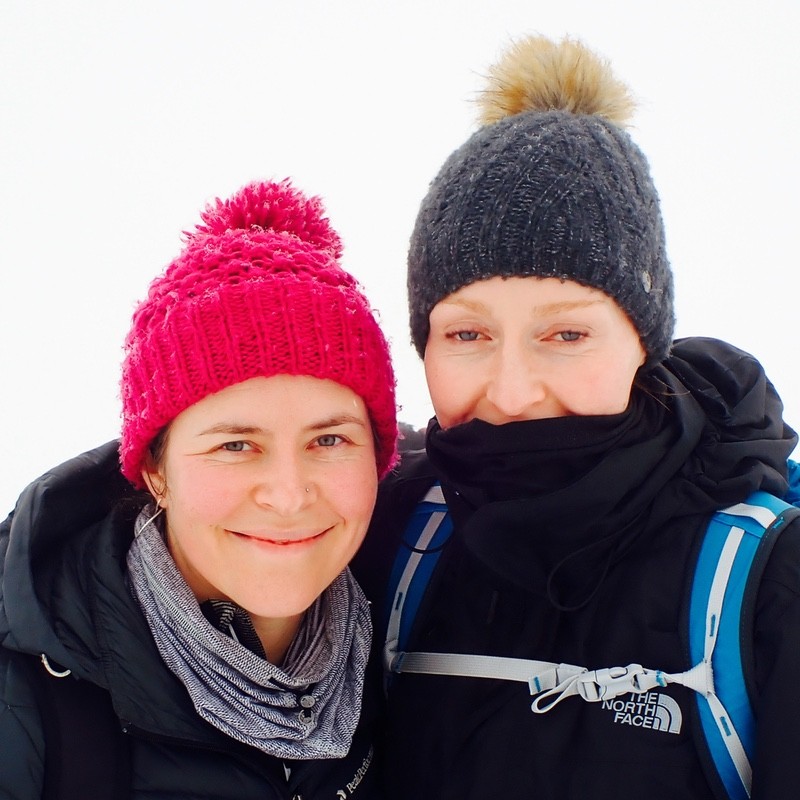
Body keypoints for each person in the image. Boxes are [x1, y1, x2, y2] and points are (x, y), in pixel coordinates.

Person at [351, 36, 800, 799]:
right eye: (467, 334)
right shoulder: (381, 533)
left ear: (644, 342)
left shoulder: (765, 584)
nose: (515, 390)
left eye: (565, 335)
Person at [0, 179, 397, 799]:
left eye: (329, 441)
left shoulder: (406, 631)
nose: (289, 495)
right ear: (155, 471)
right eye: (236, 446)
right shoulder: (27, 691)